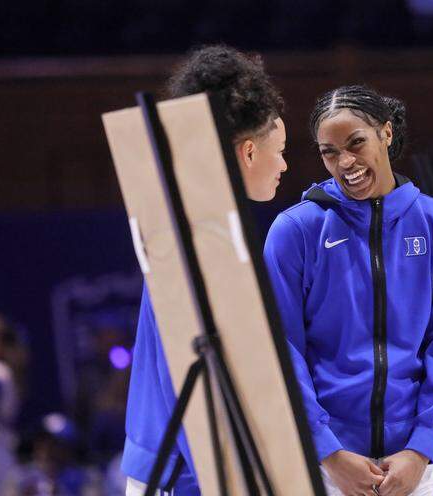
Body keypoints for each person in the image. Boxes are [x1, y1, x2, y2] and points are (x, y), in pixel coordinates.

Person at [264, 85, 433, 496]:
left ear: (386, 133)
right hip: (323, 460)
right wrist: (326, 450)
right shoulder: (295, 232)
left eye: (356, 143)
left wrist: (419, 450)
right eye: (329, 152)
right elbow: (280, 347)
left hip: (416, 463)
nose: (346, 162)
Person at [122, 45, 287, 495]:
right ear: (249, 152)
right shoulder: (203, 241)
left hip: (172, 470)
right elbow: (193, 378)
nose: (285, 166)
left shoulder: (194, 223)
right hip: (185, 476)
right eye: (282, 150)